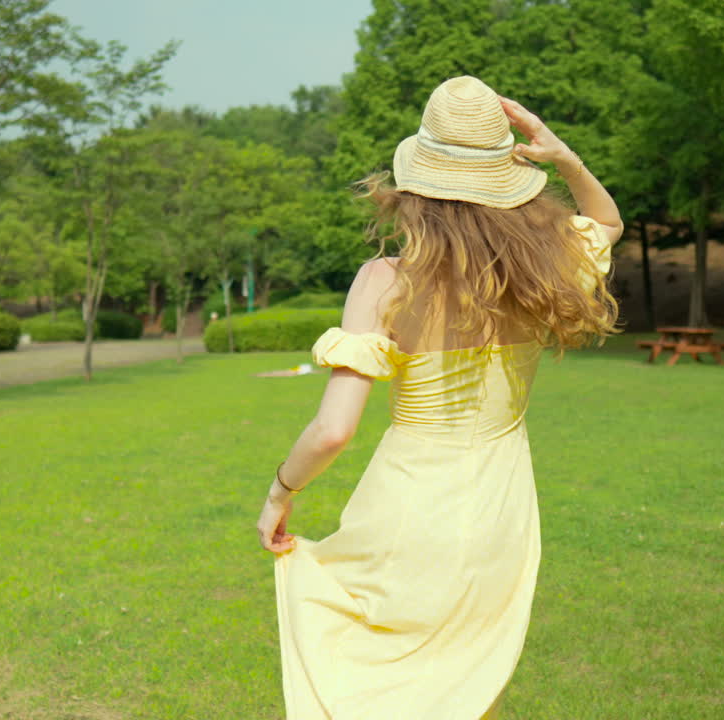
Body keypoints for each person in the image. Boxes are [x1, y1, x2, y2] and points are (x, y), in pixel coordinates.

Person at [256, 76, 623, 719]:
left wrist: (279, 493)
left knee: (375, 686)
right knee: (464, 688)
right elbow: (606, 223)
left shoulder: (382, 281)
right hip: (500, 512)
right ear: (506, 179)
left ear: (415, 184)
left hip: (408, 507)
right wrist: (565, 158)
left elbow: (334, 430)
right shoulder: (540, 269)